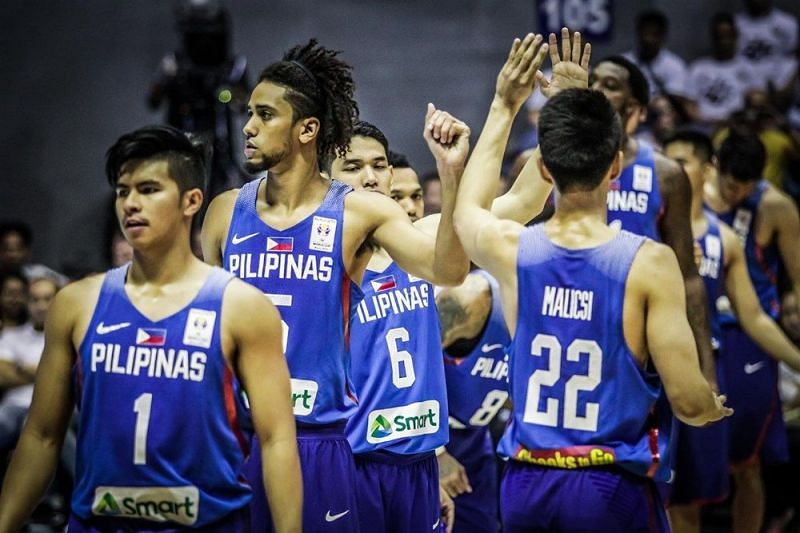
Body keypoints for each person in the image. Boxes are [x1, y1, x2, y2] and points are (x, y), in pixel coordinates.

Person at [454, 33, 732, 530]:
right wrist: (709, 408)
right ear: (616, 167)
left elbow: (466, 212)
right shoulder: (649, 262)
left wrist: (503, 104)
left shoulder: (510, 247)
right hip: (608, 483)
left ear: (543, 168)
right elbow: (688, 403)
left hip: (525, 482)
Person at [201, 39, 469, 532]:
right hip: (235, 437)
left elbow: (448, 271)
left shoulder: (360, 212)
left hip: (318, 440)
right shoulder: (223, 213)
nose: (249, 126)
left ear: (306, 129)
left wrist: (451, 176)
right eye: (249, 113)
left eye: (264, 114)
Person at [0, 125, 301, 532]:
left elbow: (277, 440)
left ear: (191, 201)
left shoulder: (243, 307)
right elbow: (40, 436)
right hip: (99, 523)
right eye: (124, 191)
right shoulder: (77, 303)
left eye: (148, 189)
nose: (131, 204)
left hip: (210, 523)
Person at [663, 129, 800, 533]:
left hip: (739, 340)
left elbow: (762, 311)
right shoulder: (663, 216)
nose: (735, 193)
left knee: (744, 462)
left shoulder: (766, 213)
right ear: (714, 169)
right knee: (676, 484)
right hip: (675, 348)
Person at [0, 277, 59, 456]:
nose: (41, 306)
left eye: (47, 299)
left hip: (49, 408)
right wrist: (49, 371)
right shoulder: (11, 336)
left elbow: (67, 376)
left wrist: (21, 368)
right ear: (27, 302)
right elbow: (3, 377)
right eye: (35, 299)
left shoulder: (67, 339)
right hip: (13, 406)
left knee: (35, 433)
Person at [686, 13, 758, 127]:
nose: (723, 41)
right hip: (703, 127)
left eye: (727, 36)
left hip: (736, 127)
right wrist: (707, 121)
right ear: (712, 38)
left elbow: (756, 102)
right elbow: (689, 106)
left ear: (736, 36)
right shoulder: (698, 68)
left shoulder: (749, 69)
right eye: (719, 36)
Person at [622, 10, 690, 108]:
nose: (648, 40)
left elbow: (676, 99)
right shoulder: (624, 61)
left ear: (663, 36)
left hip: (658, 115)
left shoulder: (674, 65)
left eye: (654, 35)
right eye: (645, 34)